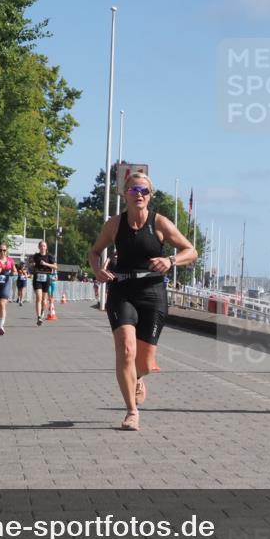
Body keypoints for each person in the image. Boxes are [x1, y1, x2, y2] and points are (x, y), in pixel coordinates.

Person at [88, 172, 197, 431]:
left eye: (144, 191)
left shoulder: (159, 223)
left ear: (150, 196)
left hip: (152, 293)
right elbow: (93, 251)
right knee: (126, 350)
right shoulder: (114, 224)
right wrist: (97, 270)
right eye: (135, 190)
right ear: (125, 194)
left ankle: (137, 377)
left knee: (145, 363)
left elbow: (191, 251)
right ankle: (131, 411)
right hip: (122, 290)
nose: (139, 194)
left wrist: (170, 261)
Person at [30, 241, 57, 325]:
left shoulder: (50, 256)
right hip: (37, 278)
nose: (42, 247)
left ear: (46, 247)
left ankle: (42, 311)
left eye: (44, 246)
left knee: (43, 299)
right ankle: (38, 317)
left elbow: (55, 267)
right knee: (38, 297)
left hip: (46, 278)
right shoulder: (35, 256)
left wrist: (46, 263)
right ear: (39, 247)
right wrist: (32, 265)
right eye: (41, 246)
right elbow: (30, 264)